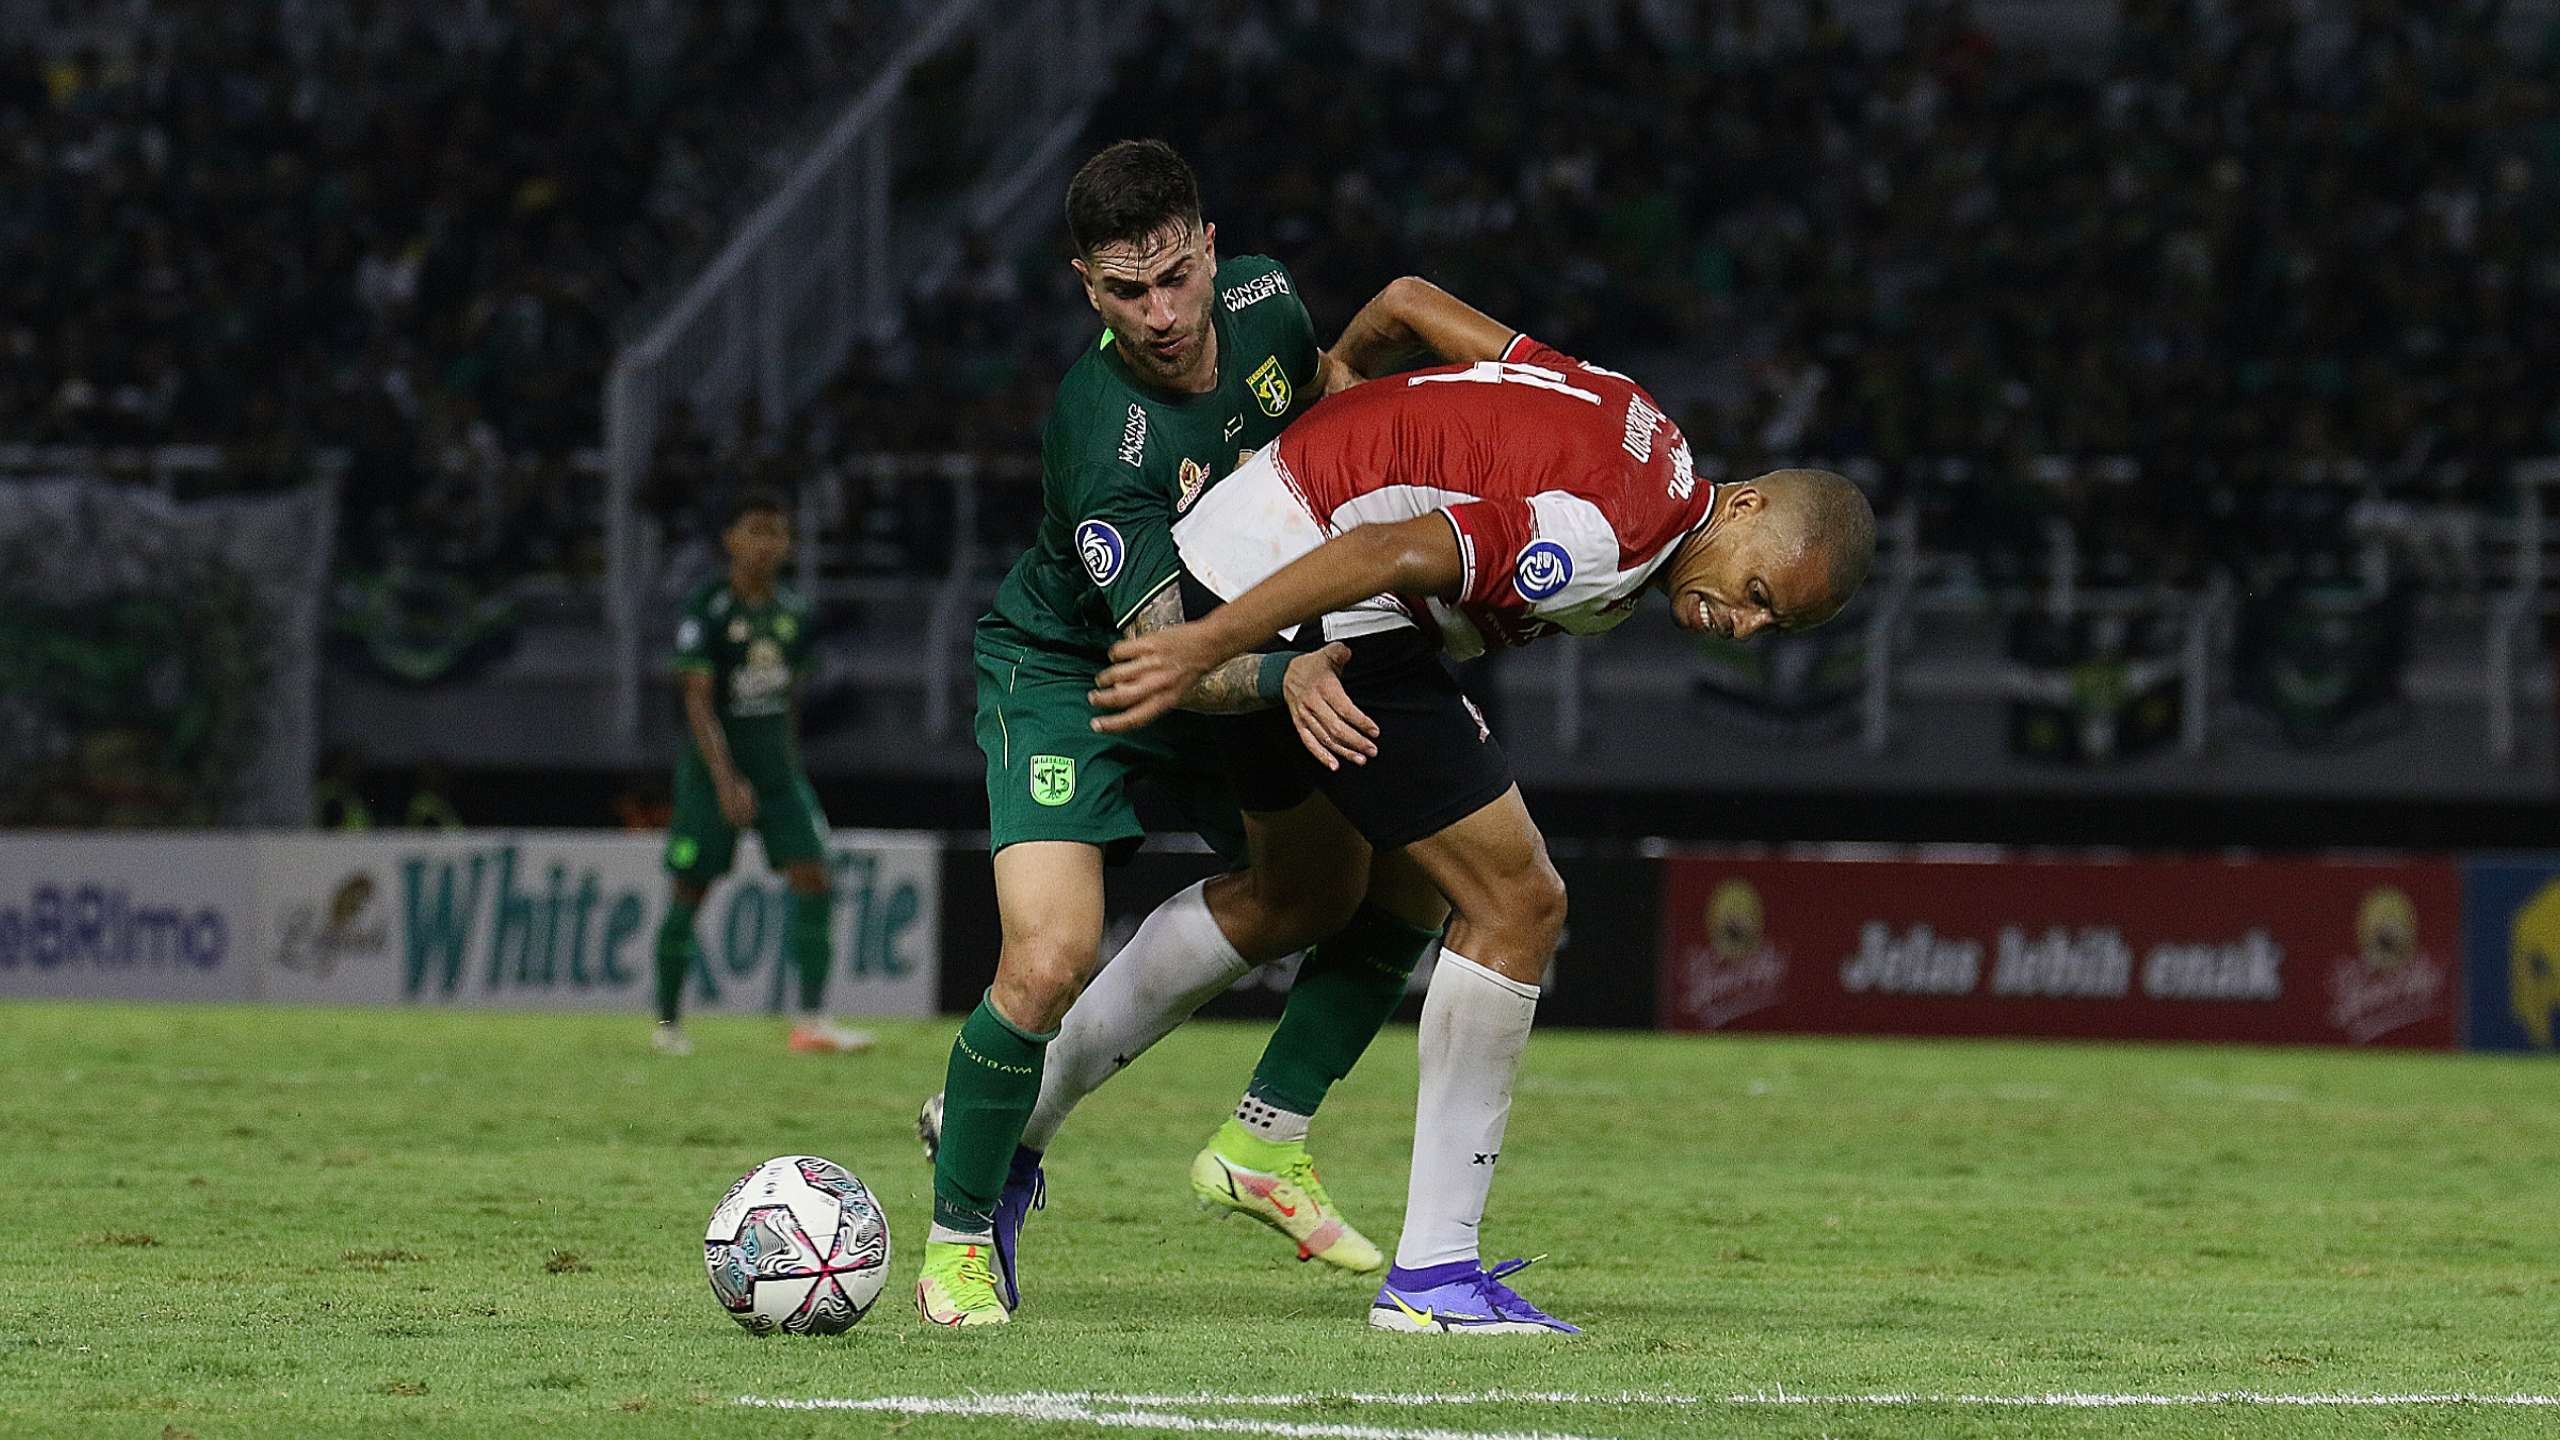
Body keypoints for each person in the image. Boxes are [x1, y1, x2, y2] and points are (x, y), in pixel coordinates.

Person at [1090, 324, 1876, 1334]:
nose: (1747, 624)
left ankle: (1052, 1132)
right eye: (1760, 594)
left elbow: (1412, 304)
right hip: (1304, 598)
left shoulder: (1644, 427)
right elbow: (1386, 550)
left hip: (1262, 547)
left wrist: (1342, 386)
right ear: (1750, 505)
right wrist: (1205, 643)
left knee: (1322, 895)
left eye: (1776, 626)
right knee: (1519, 901)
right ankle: (1433, 1278)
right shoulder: (1612, 541)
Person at [916, 141, 1490, 1327]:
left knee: (1406, 873)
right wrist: (1295, 672)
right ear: (1086, 286)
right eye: (1127, 293)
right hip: (1081, 671)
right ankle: (957, 1237)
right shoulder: (1101, 436)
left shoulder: (1266, 299)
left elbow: (1325, 416)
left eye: (1175, 275)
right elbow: (1162, 657)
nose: (1162, 313)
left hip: (1248, 651)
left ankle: (1264, 1137)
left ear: (1209, 245)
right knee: (1046, 959)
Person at [652, 488, 873, 1058]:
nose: (767, 544)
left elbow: (789, 696)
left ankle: (813, 1020)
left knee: (815, 874)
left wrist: (785, 764)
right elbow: (697, 702)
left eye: (777, 532)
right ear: (729, 539)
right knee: (691, 886)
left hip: (778, 776)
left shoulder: (793, 613)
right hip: (710, 777)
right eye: (755, 529)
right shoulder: (708, 611)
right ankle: (667, 1024)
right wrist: (726, 780)